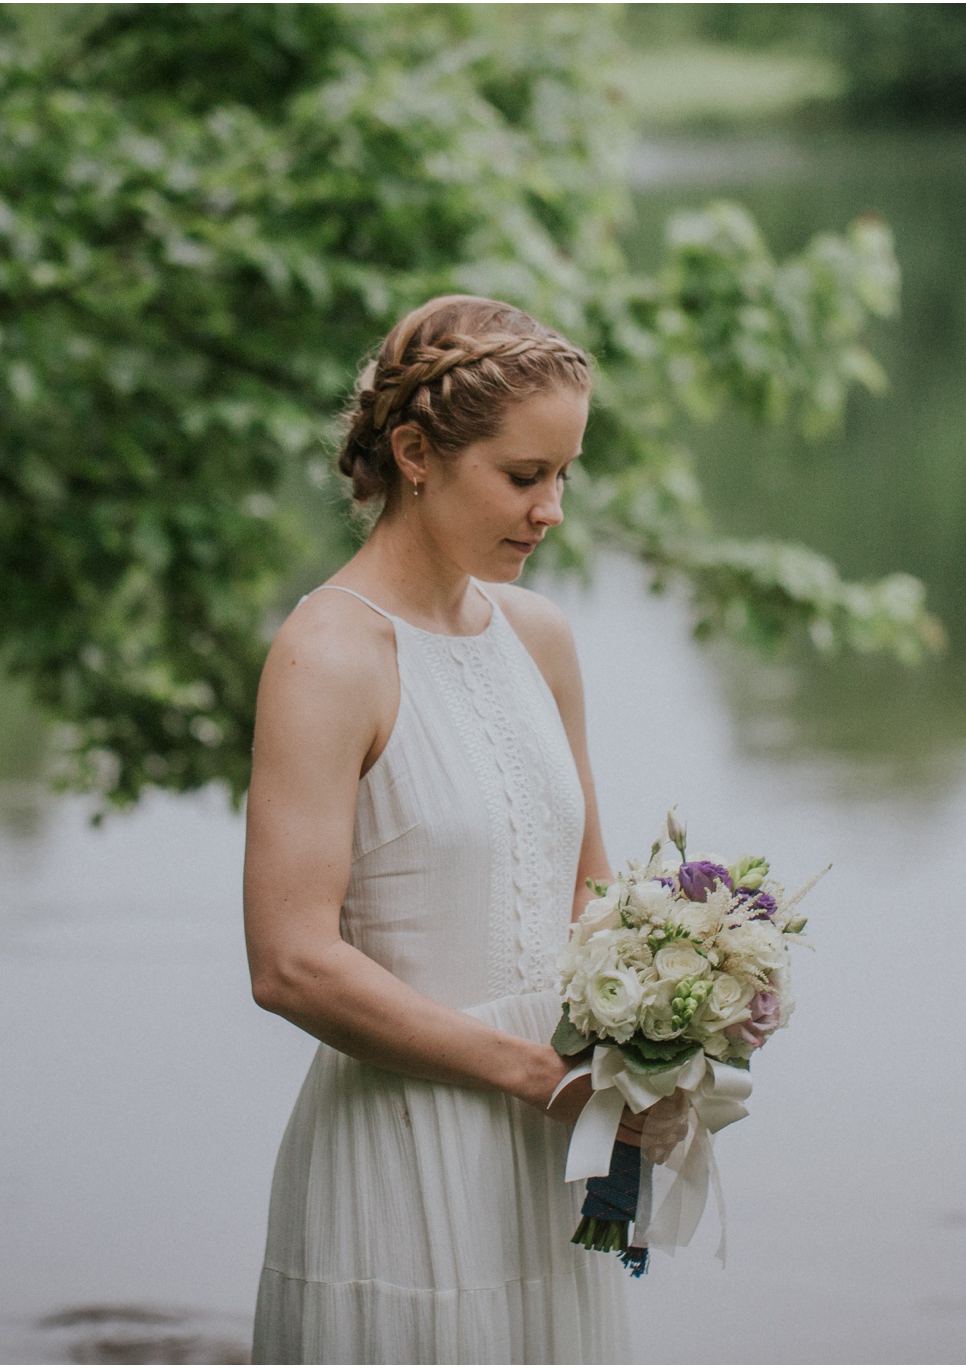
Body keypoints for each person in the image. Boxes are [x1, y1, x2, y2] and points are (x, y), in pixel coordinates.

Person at [243, 296, 639, 1364]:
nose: (551, 509)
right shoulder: (330, 655)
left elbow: (587, 894)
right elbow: (290, 964)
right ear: (414, 451)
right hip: (401, 1154)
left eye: (565, 474)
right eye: (523, 476)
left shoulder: (540, 637)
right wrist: (533, 1075)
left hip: (550, 1159)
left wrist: (662, 1037)